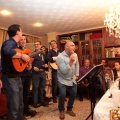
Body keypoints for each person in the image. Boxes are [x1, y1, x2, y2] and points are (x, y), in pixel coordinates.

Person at [1, 24, 30, 120]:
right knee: (14, 107)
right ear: (17, 32)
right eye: (21, 31)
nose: (22, 33)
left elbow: (16, 63)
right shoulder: (9, 43)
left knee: (20, 104)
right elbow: (7, 51)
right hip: (10, 78)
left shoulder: (17, 45)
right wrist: (22, 56)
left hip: (17, 77)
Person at [56, 41, 79, 119]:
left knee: (74, 93)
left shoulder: (75, 54)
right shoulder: (60, 57)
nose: (74, 47)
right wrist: (71, 61)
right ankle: (61, 110)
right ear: (66, 47)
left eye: (74, 45)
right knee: (62, 94)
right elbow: (64, 71)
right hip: (62, 79)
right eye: (72, 45)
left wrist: (76, 74)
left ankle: (69, 108)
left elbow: (77, 65)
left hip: (72, 78)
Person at [18, 34, 37, 117]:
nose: (23, 41)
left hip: (28, 75)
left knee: (27, 93)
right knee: (20, 94)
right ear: (18, 41)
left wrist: (30, 66)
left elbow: (29, 62)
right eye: (21, 39)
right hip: (20, 75)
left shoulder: (29, 50)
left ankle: (26, 109)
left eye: (25, 39)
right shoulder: (16, 51)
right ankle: (20, 113)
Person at [32, 41, 48, 108]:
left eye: (37, 44)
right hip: (35, 73)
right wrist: (33, 67)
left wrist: (46, 65)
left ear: (40, 45)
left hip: (43, 73)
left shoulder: (43, 54)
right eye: (35, 44)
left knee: (42, 88)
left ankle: (41, 101)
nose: (36, 45)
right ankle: (35, 102)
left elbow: (46, 63)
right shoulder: (32, 54)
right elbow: (28, 64)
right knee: (35, 88)